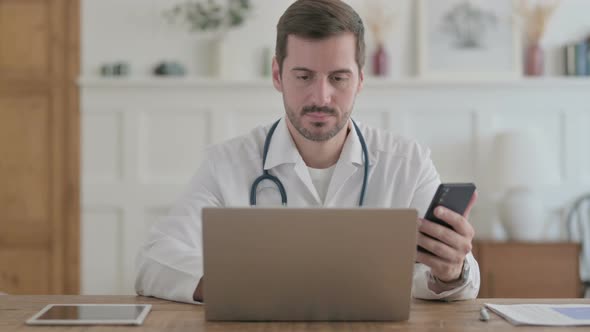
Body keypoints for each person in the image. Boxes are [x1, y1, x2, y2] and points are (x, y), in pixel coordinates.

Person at [135, 0, 480, 304]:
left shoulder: (409, 164)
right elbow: (153, 262)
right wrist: (244, 288)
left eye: (338, 78)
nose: (321, 97)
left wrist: (450, 270)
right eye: (303, 76)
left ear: (360, 79)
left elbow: (452, 280)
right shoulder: (226, 163)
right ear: (277, 74)